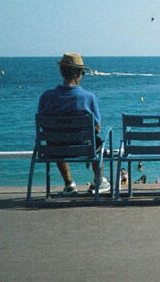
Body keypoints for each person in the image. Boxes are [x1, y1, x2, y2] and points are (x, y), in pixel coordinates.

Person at [37, 53, 110, 195]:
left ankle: (69, 184)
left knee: (56, 138)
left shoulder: (46, 97)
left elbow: (43, 126)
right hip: (85, 149)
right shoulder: (88, 97)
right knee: (96, 141)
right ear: (78, 74)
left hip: (55, 149)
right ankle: (99, 181)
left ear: (61, 71)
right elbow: (97, 128)